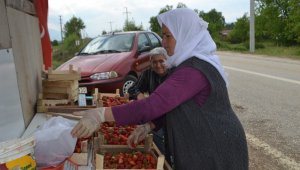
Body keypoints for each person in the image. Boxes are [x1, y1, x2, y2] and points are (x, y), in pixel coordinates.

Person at [71, 8, 249, 169]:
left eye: (168, 36)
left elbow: (153, 104)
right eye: (162, 36)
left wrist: (101, 114)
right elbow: (174, 106)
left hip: (216, 146)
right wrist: (150, 125)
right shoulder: (186, 65)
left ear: (184, 34)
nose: (163, 42)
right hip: (205, 143)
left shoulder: (194, 70)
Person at [126, 47, 169, 155]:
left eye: (161, 61)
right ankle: (161, 158)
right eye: (154, 62)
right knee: (155, 138)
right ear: (150, 63)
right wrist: (138, 94)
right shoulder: (148, 73)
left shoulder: (173, 74)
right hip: (155, 114)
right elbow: (132, 89)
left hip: (171, 115)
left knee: (166, 141)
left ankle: (165, 158)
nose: (158, 65)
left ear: (167, 60)